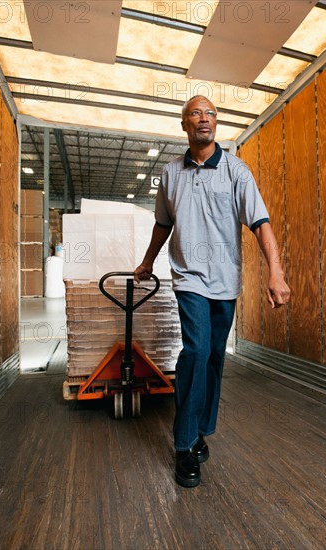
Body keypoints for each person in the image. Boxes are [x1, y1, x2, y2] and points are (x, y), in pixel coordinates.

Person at [134, 95, 290, 488]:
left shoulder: (237, 171)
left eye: (210, 114)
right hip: (188, 277)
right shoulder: (170, 174)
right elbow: (162, 224)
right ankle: (184, 444)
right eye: (195, 114)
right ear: (184, 125)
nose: (204, 119)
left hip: (225, 281)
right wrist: (148, 261)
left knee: (215, 358)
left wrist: (277, 272)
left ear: (215, 124)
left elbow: (260, 222)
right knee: (197, 351)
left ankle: (201, 428)